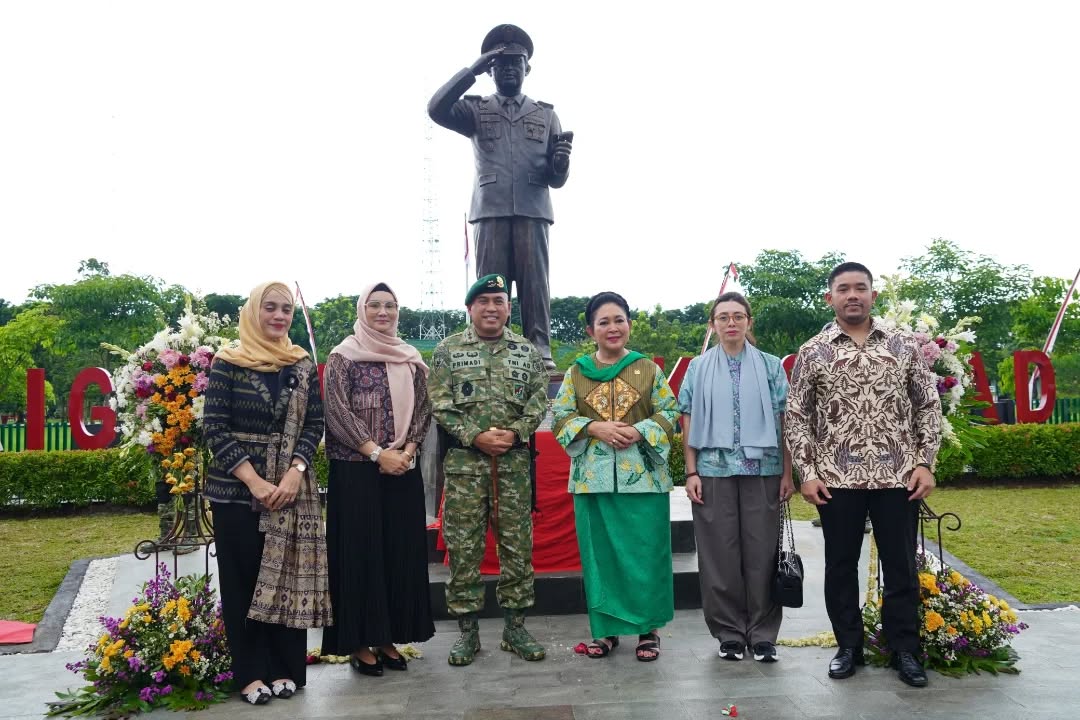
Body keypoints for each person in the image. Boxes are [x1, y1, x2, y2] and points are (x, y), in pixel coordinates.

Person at [786, 261, 942, 688]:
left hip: (899, 476)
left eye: (860, 288)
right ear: (830, 297)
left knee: (900, 566)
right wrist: (807, 472)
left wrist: (925, 462)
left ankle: (904, 649)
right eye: (843, 289)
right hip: (836, 478)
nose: (852, 295)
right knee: (840, 566)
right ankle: (848, 646)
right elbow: (797, 415)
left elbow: (928, 405)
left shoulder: (902, 344)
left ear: (873, 295)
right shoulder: (813, 351)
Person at [203, 281, 331, 705]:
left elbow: (314, 424)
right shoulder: (228, 362)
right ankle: (250, 673)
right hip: (236, 493)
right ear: (254, 311)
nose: (279, 316)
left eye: (286, 310)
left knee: (286, 580)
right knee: (244, 581)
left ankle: (284, 668)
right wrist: (255, 481)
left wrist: (295, 473)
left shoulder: (301, 364)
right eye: (270, 308)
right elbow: (214, 428)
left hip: (290, 491)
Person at [428, 23, 573, 370]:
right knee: (491, 287)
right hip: (490, 209)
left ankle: (539, 349)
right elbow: (436, 108)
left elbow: (556, 179)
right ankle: (491, 348)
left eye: (515, 63)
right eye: (500, 64)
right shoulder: (476, 110)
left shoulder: (545, 114)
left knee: (535, 284)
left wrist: (561, 164)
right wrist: (472, 70)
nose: (509, 69)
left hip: (533, 208)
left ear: (527, 68)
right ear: (490, 71)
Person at [428, 273, 549, 666]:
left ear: (508, 308)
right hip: (465, 468)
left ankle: (515, 628)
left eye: (499, 301)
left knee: (517, 549)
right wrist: (475, 435)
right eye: (484, 301)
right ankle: (468, 632)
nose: (492, 308)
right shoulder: (447, 351)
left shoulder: (526, 351)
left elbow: (539, 399)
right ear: (470, 308)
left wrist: (515, 433)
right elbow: (440, 403)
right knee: (464, 551)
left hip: (512, 468)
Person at [552, 292, 679, 661]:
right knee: (601, 557)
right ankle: (605, 630)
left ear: (629, 325)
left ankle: (648, 630)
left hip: (644, 481)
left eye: (619, 320)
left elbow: (670, 411)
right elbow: (560, 415)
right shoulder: (576, 372)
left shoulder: (648, 370)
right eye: (603, 322)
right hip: (593, 482)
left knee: (646, 555)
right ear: (590, 330)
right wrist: (594, 428)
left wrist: (639, 431)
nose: (612, 327)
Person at [320, 283, 435, 676]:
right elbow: (337, 412)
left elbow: (423, 409)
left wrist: (407, 451)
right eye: (375, 305)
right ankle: (359, 642)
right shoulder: (343, 356)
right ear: (362, 309)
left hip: (401, 469)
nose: (383, 312)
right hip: (356, 471)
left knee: (397, 554)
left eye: (390, 305)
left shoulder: (410, 358)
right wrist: (376, 453)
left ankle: (388, 638)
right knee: (361, 555)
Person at [678, 292, 794, 663]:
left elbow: (784, 421)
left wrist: (787, 472)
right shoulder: (698, 367)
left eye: (738, 316)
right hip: (713, 471)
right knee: (719, 557)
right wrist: (691, 471)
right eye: (723, 317)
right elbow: (686, 417)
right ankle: (728, 633)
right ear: (712, 324)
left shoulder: (771, 366)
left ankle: (763, 635)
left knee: (762, 556)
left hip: (763, 471)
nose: (731, 323)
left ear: (749, 322)